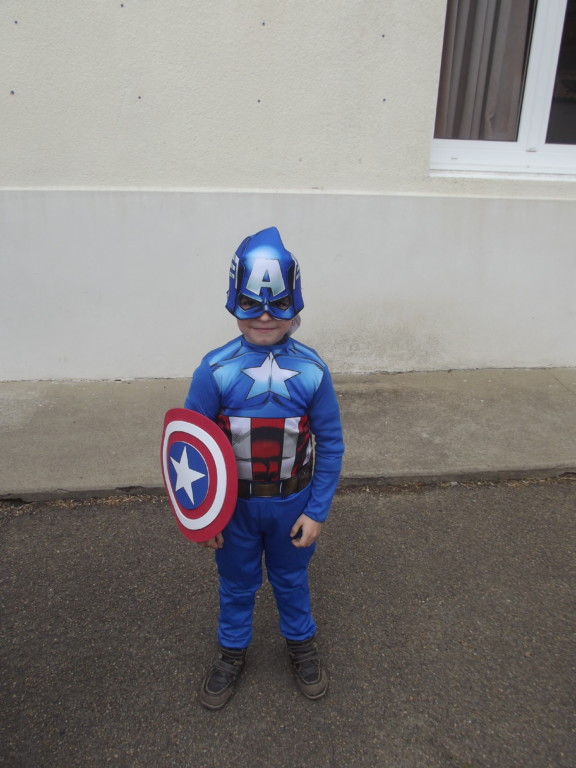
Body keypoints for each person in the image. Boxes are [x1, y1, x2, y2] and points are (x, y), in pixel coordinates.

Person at [184, 226, 344, 710]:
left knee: (291, 580)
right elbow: (188, 448)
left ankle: (301, 645)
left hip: (292, 504)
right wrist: (203, 517)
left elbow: (331, 443)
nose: (266, 316)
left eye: (279, 304)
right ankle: (232, 651)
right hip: (233, 509)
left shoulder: (313, 370)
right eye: (252, 304)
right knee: (236, 583)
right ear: (234, 302)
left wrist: (316, 511)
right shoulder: (215, 369)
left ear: (297, 303)